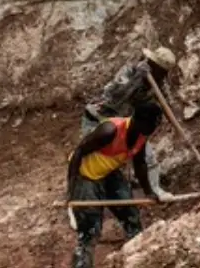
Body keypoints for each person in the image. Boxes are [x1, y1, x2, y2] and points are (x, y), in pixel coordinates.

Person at [66, 102, 164, 268]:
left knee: (130, 213)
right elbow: (79, 152)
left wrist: (149, 191)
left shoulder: (141, 134)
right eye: (151, 125)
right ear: (138, 121)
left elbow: (139, 163)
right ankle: (83, 261)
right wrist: (72, 189)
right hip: (86, 174)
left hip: (109, 172)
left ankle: (139, 253)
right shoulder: (109, 131)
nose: (153, 129)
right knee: (90, 228)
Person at [81, 47, 177, 202]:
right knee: (94, 159)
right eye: (152, 65)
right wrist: (137, 80)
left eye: (162, 72)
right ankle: (81, 197)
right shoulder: (130, 72)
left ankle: (154, 189)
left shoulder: (159, 84)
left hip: (125, 124)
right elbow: (116, 97)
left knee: (147, 155)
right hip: (99, 119)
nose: (160, 74)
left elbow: (165, 105)